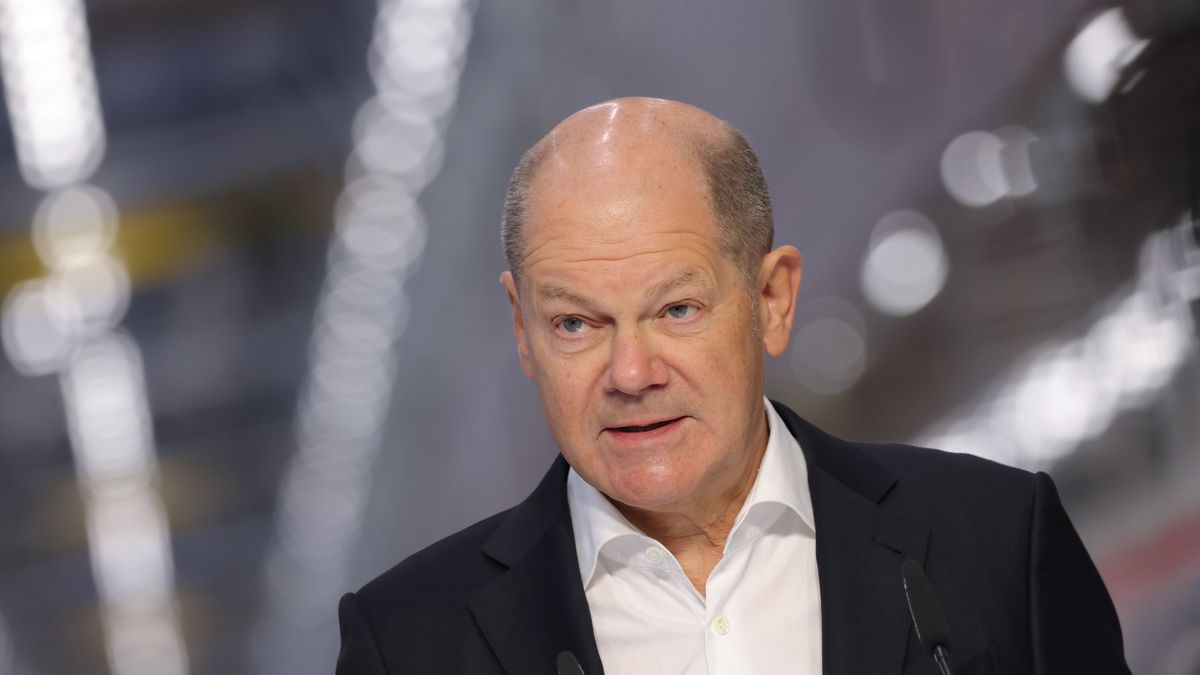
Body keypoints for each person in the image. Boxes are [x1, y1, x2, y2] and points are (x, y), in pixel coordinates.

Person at [335, 97, 1130, 674]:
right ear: (522, 329)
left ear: (771, 301)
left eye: (677, 309)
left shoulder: (992, 541)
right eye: (576, 323)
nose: (632, 374)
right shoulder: (408, 642)